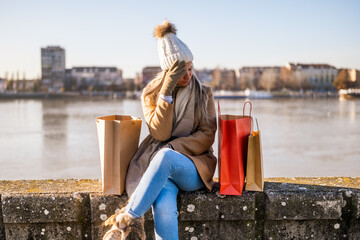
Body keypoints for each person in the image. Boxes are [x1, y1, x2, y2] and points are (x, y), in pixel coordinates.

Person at [103, 20, 217, 240]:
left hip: (193, 165)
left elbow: (207, 135)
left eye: (190, 69)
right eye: (180, 73)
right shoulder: (151, 94)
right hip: (159, 168)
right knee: (164, 204)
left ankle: (127, 217)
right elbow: (160, 134)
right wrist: (165, 93)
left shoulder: (204, 94)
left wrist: (174, 148)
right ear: (168, 72)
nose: (188, 76)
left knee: (165, 155)